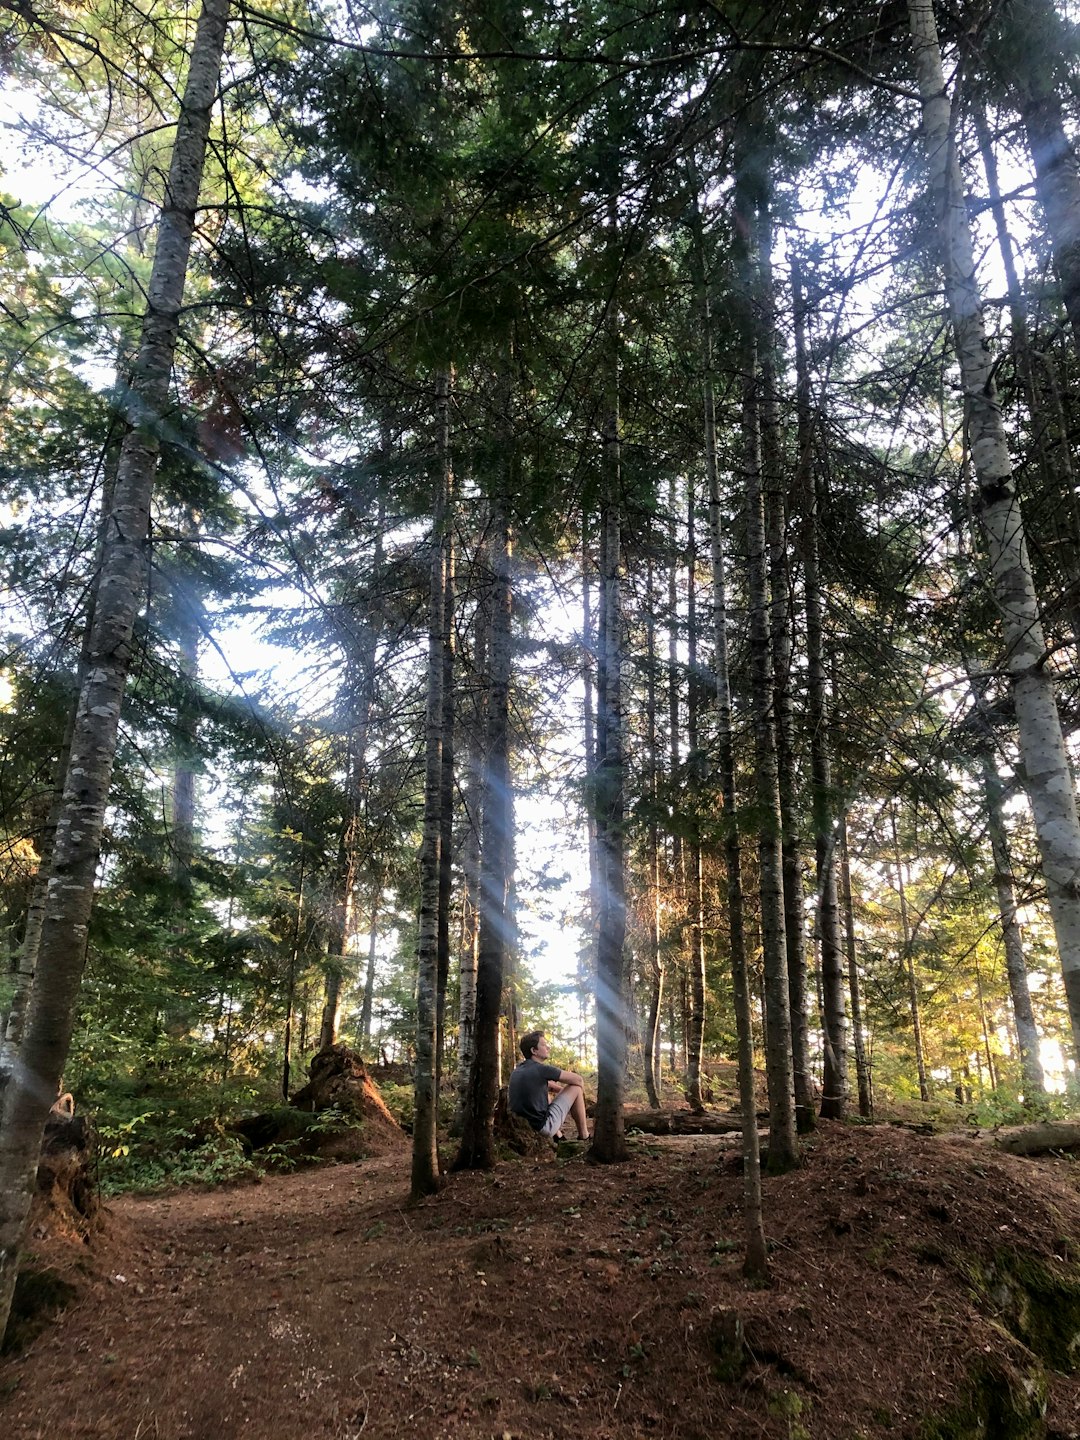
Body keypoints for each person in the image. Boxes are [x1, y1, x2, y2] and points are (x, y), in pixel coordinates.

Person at [507, 1030, 590, 1141]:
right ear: (534, 1050)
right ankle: (584, 1136)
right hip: (541, 1127)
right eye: (544, 1045)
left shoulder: (519, 1069)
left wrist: (564, 1093)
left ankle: (559, 1138)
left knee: (546, 1096)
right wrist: (574, 1096)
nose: (548, 1047)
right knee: (576, 1088)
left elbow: (547, 1084)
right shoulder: (541, 1069)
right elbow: (578, 1080)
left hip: (522, 1126)